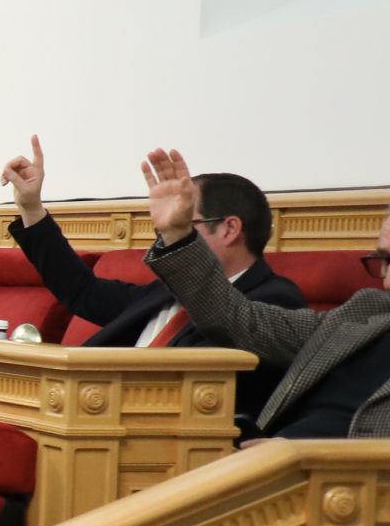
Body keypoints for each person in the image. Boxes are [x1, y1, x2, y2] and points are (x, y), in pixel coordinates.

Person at [0, 136, 303, 424]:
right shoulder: (167, 291)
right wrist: (31, 208)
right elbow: (81, 291)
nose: (169, 239)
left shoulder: (273, 300)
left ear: (229, 229)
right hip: (88, 410)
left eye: (183, 222)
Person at [141, 149, 390, 439]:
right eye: (384, 260)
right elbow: (240, 321)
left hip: (326, 464)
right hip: (258, 454)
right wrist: (178, 235)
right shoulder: (366, 311)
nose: (387, 280)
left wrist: (298, 454)